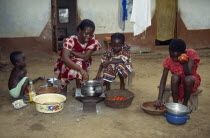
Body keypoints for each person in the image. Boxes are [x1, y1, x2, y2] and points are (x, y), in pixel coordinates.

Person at [54, 19, 101, 95]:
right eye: (86, 33)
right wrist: (80, 69)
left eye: (91, 34)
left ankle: (79, 89)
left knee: (80, 62)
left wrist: (71, 51)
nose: (88, 36)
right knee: (71, 64)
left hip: (84, 62)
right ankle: (64, 86)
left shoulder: (93, 41)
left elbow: (85, 57)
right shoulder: (71, 40)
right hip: (68, 62)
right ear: (79, 31)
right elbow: (65, 58)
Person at [154, 39, 201, 107]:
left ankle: (184, 104)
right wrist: (159, 99)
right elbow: (163, 79)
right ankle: (175, 104)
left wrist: (184, 63)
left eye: (177, 57)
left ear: (184, 53)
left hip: (191, 82)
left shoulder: (191, 53)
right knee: (174, 77)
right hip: (177, 84)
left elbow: (188, 73)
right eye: (172, 56)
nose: (174, 59)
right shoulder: (168, 61)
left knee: (188, 79)